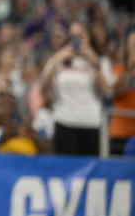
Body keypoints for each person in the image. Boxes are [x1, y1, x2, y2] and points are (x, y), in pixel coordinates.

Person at [41, 21, 112, 155]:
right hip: (64, 120)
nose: (77, 39)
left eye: (81, 35)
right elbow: (44, 87)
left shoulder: (101, 60)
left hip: (91, 122)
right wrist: (57, 60)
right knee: (65, 170)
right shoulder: (59, 58)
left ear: (89, 36)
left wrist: (94, 61)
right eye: (73, 35)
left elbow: (106, 90)